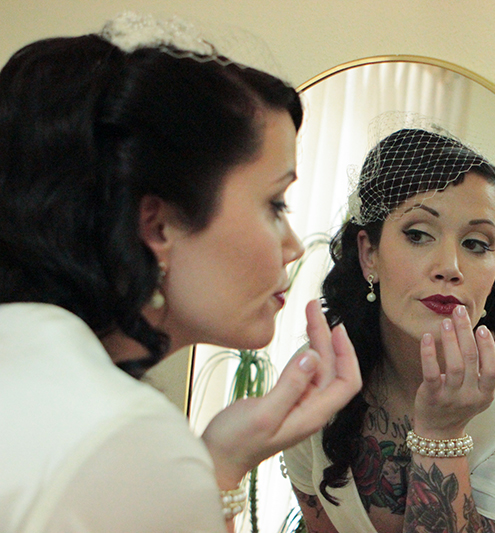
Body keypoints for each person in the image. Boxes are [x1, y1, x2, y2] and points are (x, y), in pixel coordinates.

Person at [0, 12, 361, 533]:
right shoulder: (126, 438)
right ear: (158, 223)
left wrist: (221, 458)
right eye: (275, 203)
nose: (291, 246)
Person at [283, 128, 495, 533]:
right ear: (370, 256)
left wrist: (442, 433)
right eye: (418, 235)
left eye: (475, 243)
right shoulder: (316, 375)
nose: (450, 266)